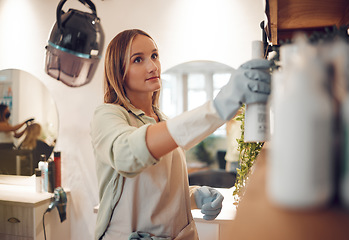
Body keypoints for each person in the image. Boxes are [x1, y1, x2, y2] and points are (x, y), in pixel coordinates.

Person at [90, 29, 271, 240]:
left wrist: (194, 196)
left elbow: (158, 189)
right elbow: (126, 155)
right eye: (138, 60)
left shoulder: (163, 120)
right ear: (118, 71)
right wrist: (217, 108)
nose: (152, 66)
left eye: (154, 56)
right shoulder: (107, 115)